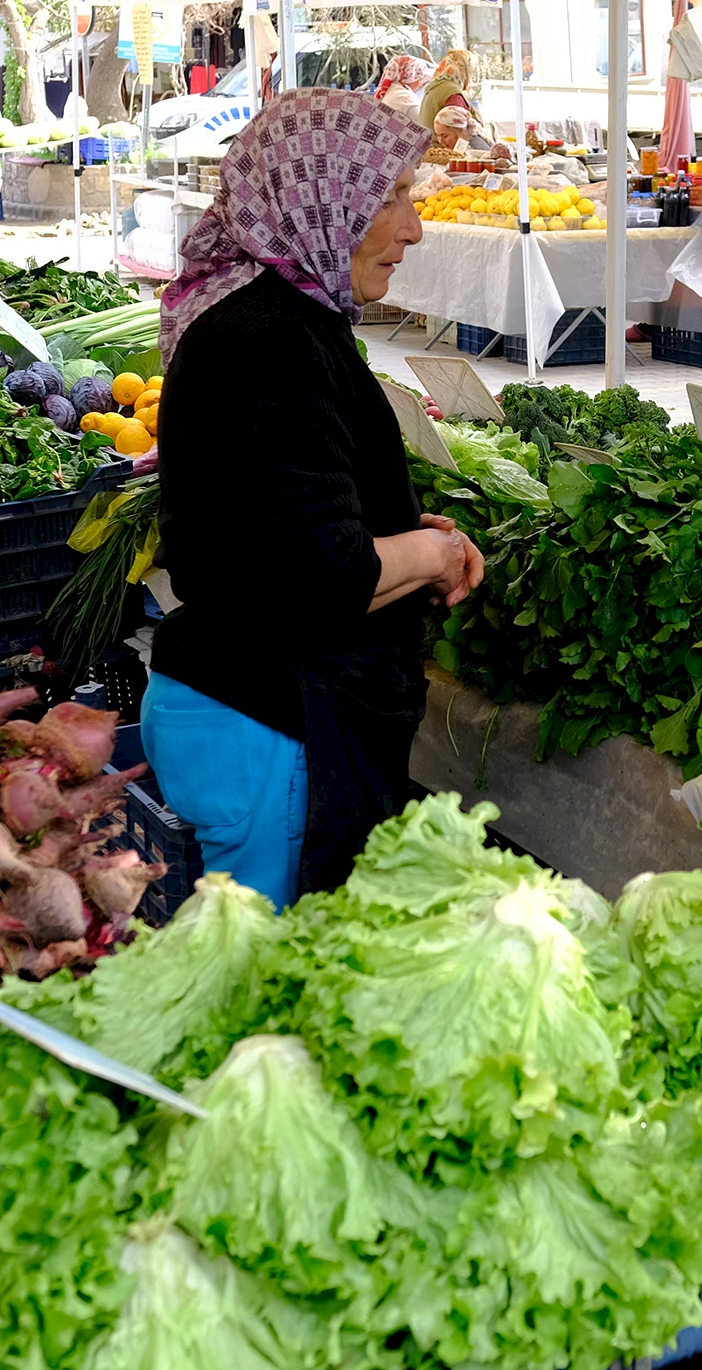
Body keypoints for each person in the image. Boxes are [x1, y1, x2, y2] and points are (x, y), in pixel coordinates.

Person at [145, 89, 485, 906]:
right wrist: (432, 553)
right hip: (270, 728)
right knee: (263, 995)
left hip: (245, 711)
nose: (413, 229)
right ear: (321, 195)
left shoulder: (269, 317)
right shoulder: (267, 342)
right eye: (392, 198)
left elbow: (267, 523)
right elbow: (322, 577)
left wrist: (396, 529)